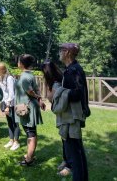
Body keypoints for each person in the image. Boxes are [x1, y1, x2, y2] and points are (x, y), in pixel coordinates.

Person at [58, 43, 90, 181]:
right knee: (76, 149)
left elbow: (77, 94)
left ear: (68, 53)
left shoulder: (73, 70)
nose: (59, 52)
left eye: (61, 50)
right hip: (71, 115)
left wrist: (57, 93)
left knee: (75, 152)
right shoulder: (72, 68)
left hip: (72, 117)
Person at [15, 54, 46, 166]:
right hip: (28, 107)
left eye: (18, 61)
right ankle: (30, 155)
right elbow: (36, 89)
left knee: (30, 133)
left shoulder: (24, 77)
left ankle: (29, 160)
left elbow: (30, 91)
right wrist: (40, 100)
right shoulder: (29, 75)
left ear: (21, 64)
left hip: (27, 109)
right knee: (31, 132)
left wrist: (38, 98)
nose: (17, 63)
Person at [0, 63, 21, 151]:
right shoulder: (1, 77)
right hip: (5, 101)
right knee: (9, 122)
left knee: (15, 122)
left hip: (12, 103)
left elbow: (11, 93)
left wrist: (8, 106)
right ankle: (11, 140)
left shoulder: (9, 78)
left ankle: (16, 142)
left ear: (2, 70)